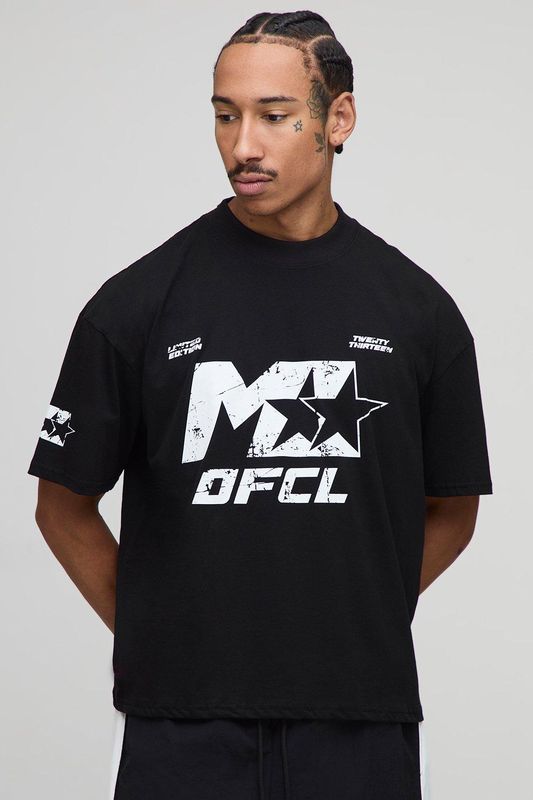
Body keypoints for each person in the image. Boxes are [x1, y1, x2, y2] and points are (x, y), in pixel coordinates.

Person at [27, 10, 493, 800]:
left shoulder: (417, 312)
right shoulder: (135, 305)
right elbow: (60, 505)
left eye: (273, 116)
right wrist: (159, 633)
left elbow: (452, 507)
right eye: (224, 115)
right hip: (181, 729)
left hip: (358, 726)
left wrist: (353, 617)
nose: (243, 145)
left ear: (336, 120)